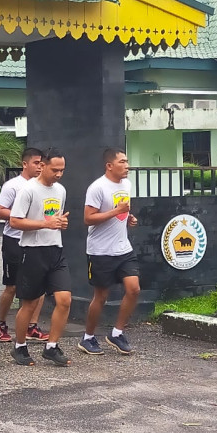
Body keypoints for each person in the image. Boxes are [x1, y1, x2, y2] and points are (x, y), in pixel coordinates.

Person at [9, 149, 71, 367]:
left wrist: (60, 224)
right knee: (29, 303)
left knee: (65, 300)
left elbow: (56, 219)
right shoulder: (28, 190)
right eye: (55, 169)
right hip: (32, 251)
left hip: (55, 249)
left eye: (62, 170)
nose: (59, 174)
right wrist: (46, 223)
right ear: (42, 166)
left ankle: (52, 347)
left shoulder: (60, 190)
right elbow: (15, 221)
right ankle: (19, 346)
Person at [81, 148, 140, 355]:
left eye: (127, 161)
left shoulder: (127, 184)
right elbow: (88, 218)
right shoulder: (97, 187)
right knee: (101, 296)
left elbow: (123, 211)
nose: (127, 166)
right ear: (109, 165)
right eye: (122, 162)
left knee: (134, 289)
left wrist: (128, 218)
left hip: (123, 247)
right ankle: (88, 338)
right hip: (100, 251)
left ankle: (116, 333)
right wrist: (116, 212)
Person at [0, 148, 49, 343]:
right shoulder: (13, 186)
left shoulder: (45, 186)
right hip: (14, 240)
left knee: (39, 286)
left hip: (37, 241)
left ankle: (31, 327)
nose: (39, 167)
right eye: (36, 163)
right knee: (12, 287)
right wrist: (19, 215)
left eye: (42, 163)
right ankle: (0, 323)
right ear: (25, 164)